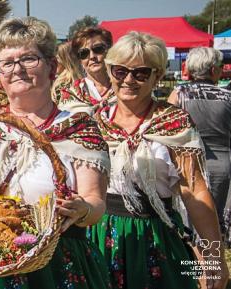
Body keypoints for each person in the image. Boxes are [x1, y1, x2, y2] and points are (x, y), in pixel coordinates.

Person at [0, 16, 111, 289]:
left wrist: (82, 209)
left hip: (53, 268)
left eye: (29, 59)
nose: (17, 69)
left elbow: (96, 203)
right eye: (7, 63)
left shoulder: (77, 129)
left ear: (52, 67)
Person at [90, 32, 229, 289]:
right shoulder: (94, 122)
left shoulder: (175, 123)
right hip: (101, 234)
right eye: (120, 71)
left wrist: (213, 257)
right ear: (110, 72)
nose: (129, 80)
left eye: (141, 73)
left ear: (156, 76)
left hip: (157, 234)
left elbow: (195, 191)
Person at [167, 47, 231, 242]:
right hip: (222, 164)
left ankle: (193, 265)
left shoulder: (179, 94)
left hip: (188, 165)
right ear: (213, 70)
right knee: (214, 222)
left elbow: (167, 131)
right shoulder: (227, 96)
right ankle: (211, 266)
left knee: (190, 221)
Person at [56, 27, 115, 115]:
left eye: (98, 49)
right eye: (84, 53)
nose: (92, 56)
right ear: (79, 59)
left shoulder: (125, 88)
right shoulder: (71, 94)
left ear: (110, 51)